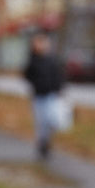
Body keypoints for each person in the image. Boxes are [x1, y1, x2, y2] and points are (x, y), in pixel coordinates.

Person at [23, 31, 65, 160]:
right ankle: (42, 144)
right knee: (41, 122)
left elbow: (59, 76)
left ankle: (46, 141)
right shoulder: (33, 60)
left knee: (52, 120)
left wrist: (59, 89)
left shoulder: (52, 59)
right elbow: (27, 74)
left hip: (51, 95)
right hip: (39, 96)